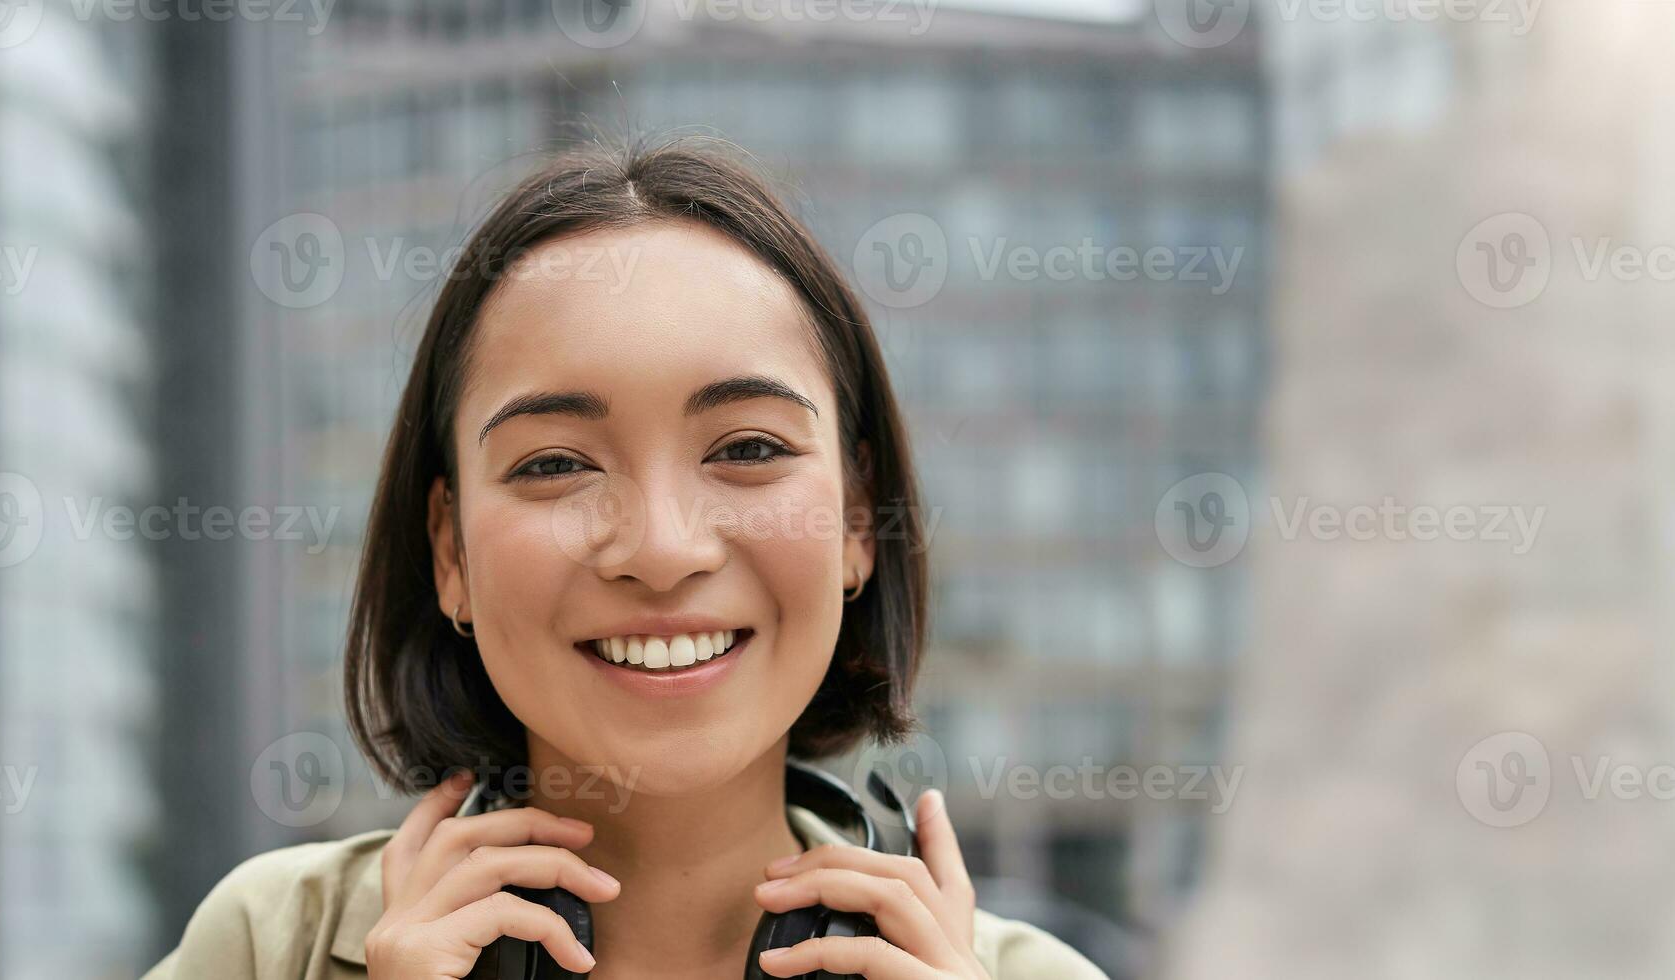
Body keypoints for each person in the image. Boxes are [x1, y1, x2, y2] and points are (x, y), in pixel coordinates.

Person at [143, 137, 1106, 980]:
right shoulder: (271, 946)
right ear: (451, 552)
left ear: (859, 519)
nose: (660, 550)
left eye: (748, 449)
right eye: (556, 464)